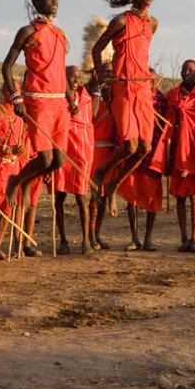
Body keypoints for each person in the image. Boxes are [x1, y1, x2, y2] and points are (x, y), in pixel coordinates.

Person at [2, 0, 78, 256]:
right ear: (37, 3)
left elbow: (60, 72)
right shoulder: (28, 31)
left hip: (59, 101)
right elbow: (6, 67)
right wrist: (16, 98)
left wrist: (71, 99)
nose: (55, 2)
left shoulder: (60, 33)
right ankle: (16, 182)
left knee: (59, 161)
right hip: (38, 99)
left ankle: (22, 181)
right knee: (45, 159)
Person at [91, 0, 158, 216]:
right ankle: (102, 172)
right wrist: (103, 78)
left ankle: (112, 184)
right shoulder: (120, 21)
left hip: (143, 89)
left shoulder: (153, 24)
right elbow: (97, 49)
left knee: (145, 147)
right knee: (129, 144)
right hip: (123, 86)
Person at [165, 60, 195, 252]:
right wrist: (167, 156)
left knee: (194, 196)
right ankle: (183, 238)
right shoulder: (173, 95)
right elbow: (168, 125)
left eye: (191, 70)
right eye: (184, 69)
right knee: (180, 197)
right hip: (177, 150)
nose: (186, 73)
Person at [120, 70, 167, 251]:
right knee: (131, 196)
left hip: (153, 154)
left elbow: (166, 131)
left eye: (152, 81)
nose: (149, 83)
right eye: (146, 80)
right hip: (134, 153)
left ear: (156, 82)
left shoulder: (162, 101)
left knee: (151, 198)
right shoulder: (134, 98)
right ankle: (134, 238)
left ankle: (148, 239)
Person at [53, 66, 95, 255]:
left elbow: (89, 121)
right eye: (72, 77)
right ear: (64, 78)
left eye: (79, 77)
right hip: (62, 148)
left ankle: (85, 240)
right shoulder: (56, 98)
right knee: (59, 196)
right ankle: (63, 240)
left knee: (81, 196)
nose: (76, 80)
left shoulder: (85, 98)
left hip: (81, 150)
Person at [0, 81, 26, 260]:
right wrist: (7, 149)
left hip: (13, 166)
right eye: (10, 89)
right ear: (3, 91)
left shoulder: (22, 115)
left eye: (16, 90)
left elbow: (22, 137)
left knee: (8, 207)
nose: (13, 93)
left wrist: (20, 149)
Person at [87, 61, 116, 249]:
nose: (109, 75)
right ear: (97, 73)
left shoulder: (115, 94)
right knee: (94, 196)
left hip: (111, 151)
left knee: (104, 196)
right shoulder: (87, 93)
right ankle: (89, 237)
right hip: (94, 149)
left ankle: (97, 234)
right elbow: (93, 114)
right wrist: (97, 90)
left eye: (111, 72)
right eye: (105, 71)